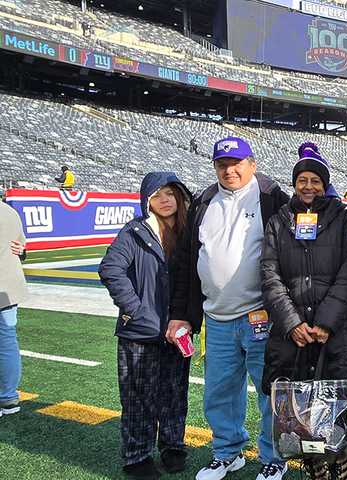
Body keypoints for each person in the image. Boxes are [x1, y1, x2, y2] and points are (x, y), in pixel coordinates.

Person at [169, 137, 290, 480]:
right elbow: (188, 263)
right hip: (217, 318)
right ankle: (227, 452)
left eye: (236, 162)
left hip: (260, 315)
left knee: (269, 392)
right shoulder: (204, 201)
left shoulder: (271, 197)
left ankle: (274, 457)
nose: (229, 169)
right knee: (219, 392)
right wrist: (183, 313)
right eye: (222, 164)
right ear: (214, 167)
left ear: (252, 164)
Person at [260, 142, 347, 480]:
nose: (308, 186)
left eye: (315, 180)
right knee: (299, 410)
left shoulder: (343, 219)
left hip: (333, 333)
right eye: (302, 180)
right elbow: (269, 273)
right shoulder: (279, 221)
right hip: (292, 335)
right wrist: (292, 322)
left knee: (335, 407)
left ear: (325, 184)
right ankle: (315, 469)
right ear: (294, 184)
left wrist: (325, 321)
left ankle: (340, 468)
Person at [99, 172, 193, 480]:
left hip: (177, 334)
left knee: (174, 393)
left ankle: (172, 445)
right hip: (140, 333)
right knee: (138, 396)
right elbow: (110, 269)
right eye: (157, 195)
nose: (165, 200)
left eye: (170, 193)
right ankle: (136, 456)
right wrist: (136, 310)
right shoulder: (134, 231)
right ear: (146, 201)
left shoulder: (188, 232)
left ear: (179, 196)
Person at [0, 200, 27, 418]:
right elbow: (21, 248)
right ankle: (8, 397)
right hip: (9, 285)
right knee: (7, 340)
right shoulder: (10, 212)